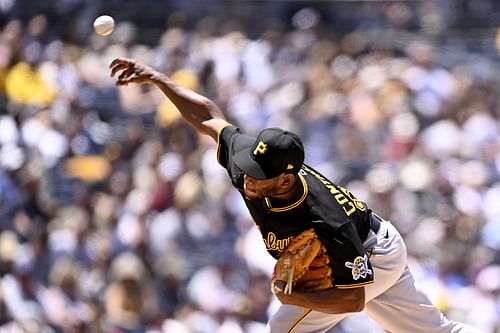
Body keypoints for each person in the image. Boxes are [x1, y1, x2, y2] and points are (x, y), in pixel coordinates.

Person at [109, 58, 484, 333]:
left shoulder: (323, 217)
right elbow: (208, 117)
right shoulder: (247, 159)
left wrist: (295, 298)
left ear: (287, 180)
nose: (248, 181)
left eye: (260, 177)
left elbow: (353, 299)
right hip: (375, 239)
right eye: (250, 171)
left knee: (284, 329)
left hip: (370, 252)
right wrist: (159, 80)